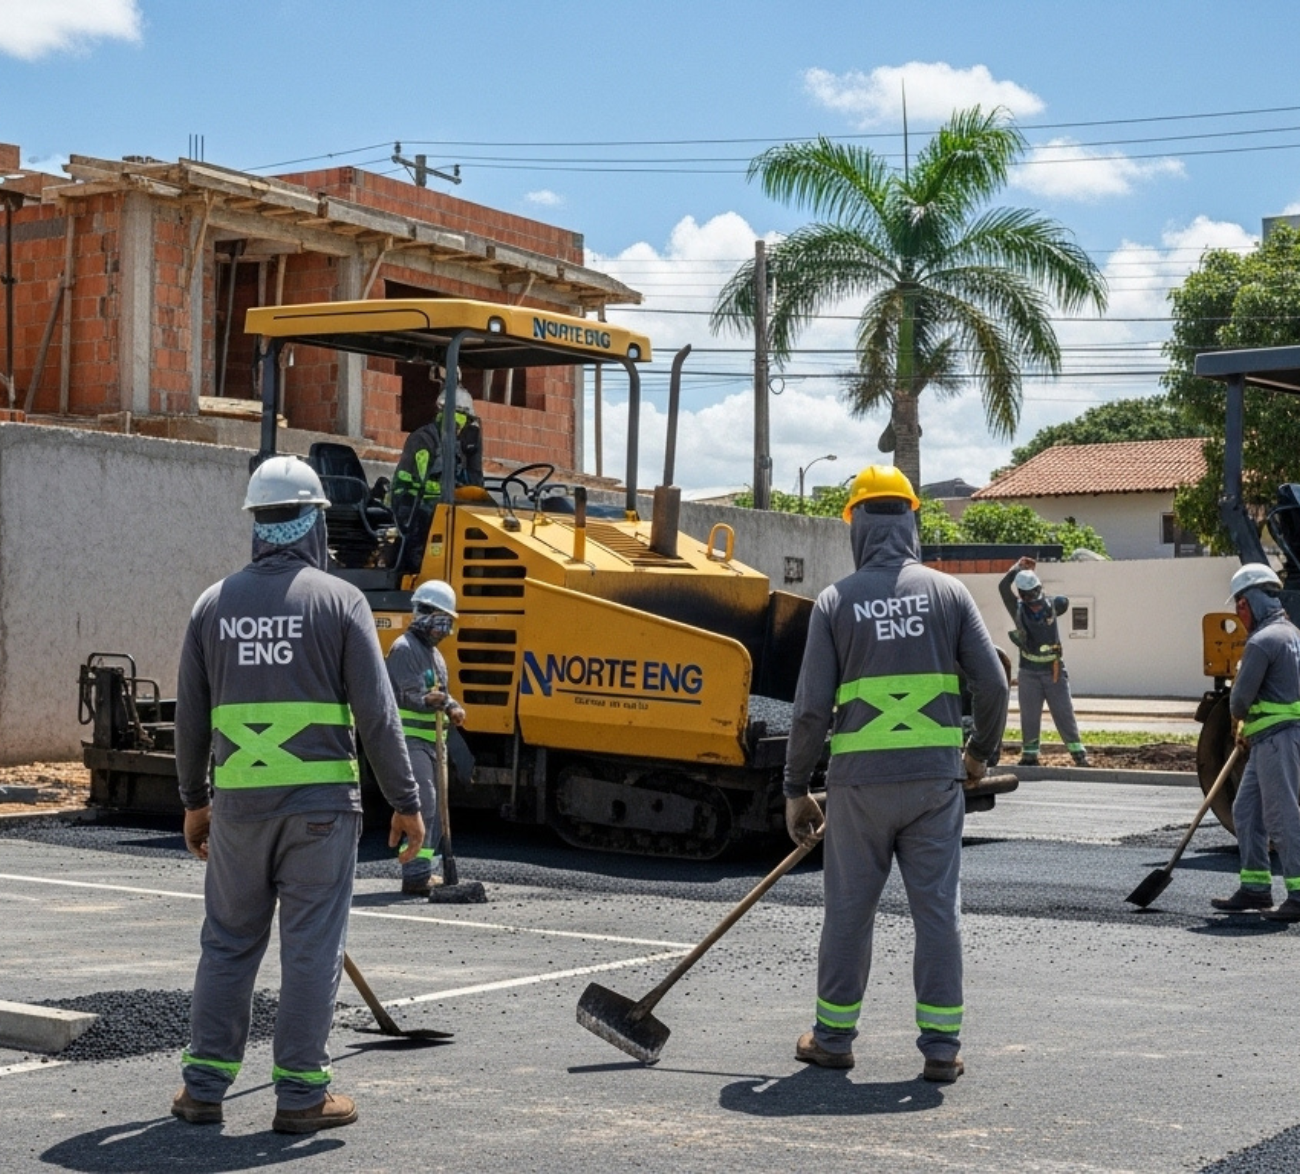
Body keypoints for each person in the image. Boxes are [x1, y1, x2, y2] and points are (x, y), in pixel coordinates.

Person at [171, 455, 425, 1134]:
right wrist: (407, 800)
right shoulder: (340, 601)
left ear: (256, 523)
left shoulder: (212, 605)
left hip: (239, 813)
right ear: (316, 520)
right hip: (319, 814)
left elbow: (190, 719)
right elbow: (378, 715)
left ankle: (202, 1089)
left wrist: (195, 800)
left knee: (227, 944)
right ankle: (301, 1096)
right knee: (310, 947)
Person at [784, 464, 1008, 1081]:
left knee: (849, 913)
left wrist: (796, 787)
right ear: (911, 518)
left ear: (854, 523)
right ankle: (941, 1049)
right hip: (935, 788)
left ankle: (833, 1038)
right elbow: (991, 684)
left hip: (859, 792)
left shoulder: (835, 601)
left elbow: (808, 711)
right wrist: (978, 755)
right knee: (938, 912)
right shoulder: (950, 594)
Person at [1211, 562, 1300, 919]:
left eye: (1240, 605)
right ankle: (1255, 888)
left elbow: (1238, 701)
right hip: (1269, 739)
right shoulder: (1292, 634)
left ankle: (1298, 894)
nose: (1238, 612)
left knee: (1282, 818)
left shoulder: (1262, 642)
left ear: (1249, 602)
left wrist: (1240, 719)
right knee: (1246, 811)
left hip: (1277, 740)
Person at [385, 579, 473, 895]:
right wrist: (431, 701)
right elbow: (406, 695)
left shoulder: (436, 658)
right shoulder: (404, 649)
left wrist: (450, 706)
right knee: (423, 801)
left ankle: (422, 871)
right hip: (409, 741)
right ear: (422, 613)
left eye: (447, 622)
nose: (443, 629)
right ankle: (415, 874)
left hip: (434, 743)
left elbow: (440, 695)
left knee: (435, 808)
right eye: (439, 620)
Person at [998, 557, 1090, 767]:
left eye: (1035, 593)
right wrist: (1017, 568)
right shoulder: (1018, 609)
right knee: (1029, 715)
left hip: (1053, 670)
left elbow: (1063, 602)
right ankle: (1030, 755)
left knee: (1063, 712)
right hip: (1029, 672)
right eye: (1029, 595)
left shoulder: (1052, 605)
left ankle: (1079, 755)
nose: (1034, 600)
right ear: (1022, 594)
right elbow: (1003, 587)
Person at [391, 382, 485, 568]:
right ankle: (417, 569)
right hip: (411, 503)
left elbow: (475, 478)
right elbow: (425, 480)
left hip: (443, 504)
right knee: (423, 532)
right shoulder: (424, 439)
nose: (463, 427)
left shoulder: (465, 443)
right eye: (461, 419)